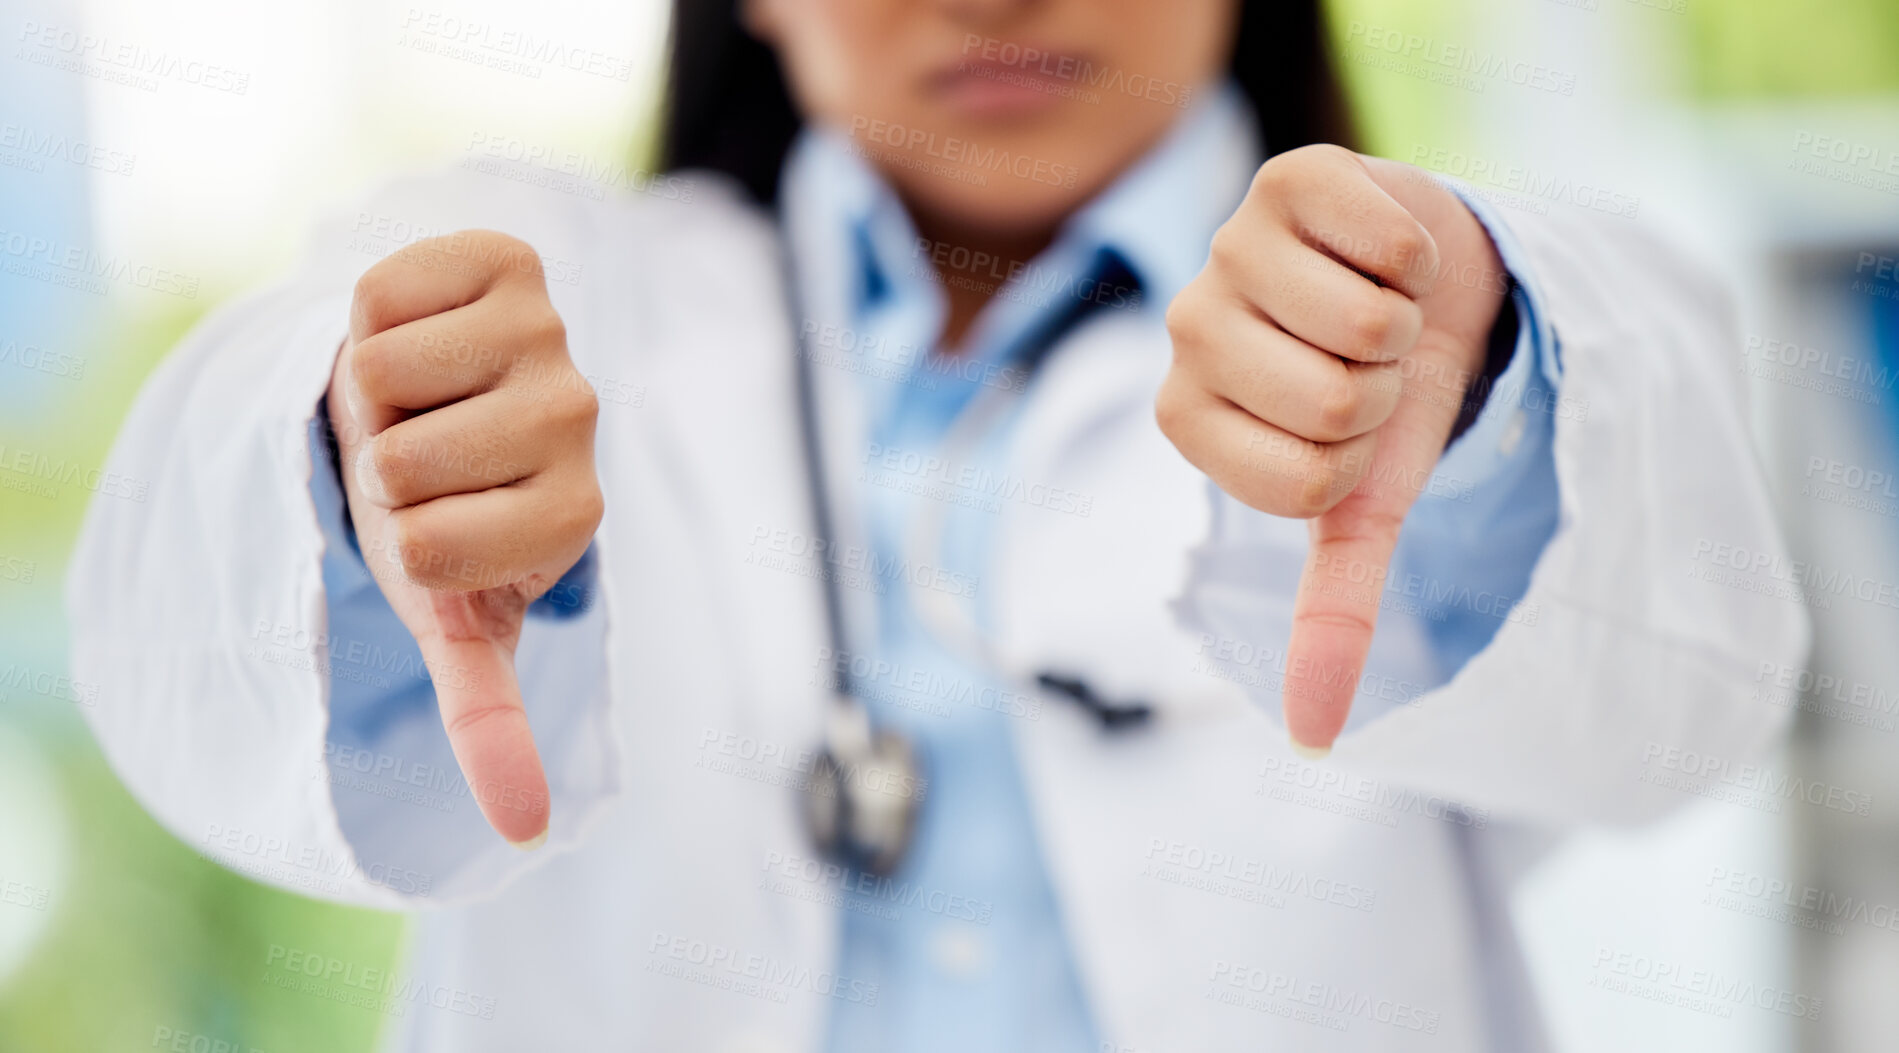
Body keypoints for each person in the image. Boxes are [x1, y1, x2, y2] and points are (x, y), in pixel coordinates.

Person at [67, 0, 1807, 1049]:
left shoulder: (1437, 312)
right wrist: (369, 469)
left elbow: (1684, 672)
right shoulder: (565, 306)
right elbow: (183, 613)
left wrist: (1494, 387)